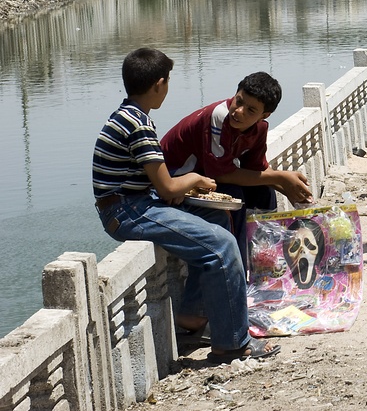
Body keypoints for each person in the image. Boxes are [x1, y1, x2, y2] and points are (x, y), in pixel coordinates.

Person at [93, 48, 280, 363]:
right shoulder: (139, 125)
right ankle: (232, 344)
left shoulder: (129, 115)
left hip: (134, 203)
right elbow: (166, 186)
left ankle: (193, 314)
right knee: (222, 246)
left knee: (217, 218)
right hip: (127, 211)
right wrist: (195, 179)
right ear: (159, 84)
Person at [161, 72, 313, 266]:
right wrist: (282, 177)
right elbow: (222, 175)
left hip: (205, 177)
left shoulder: (259, 129)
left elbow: (257, 169)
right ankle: (240, 269)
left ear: (264, 116)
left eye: (250, 110)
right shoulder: (219, 117)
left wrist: (289, 189)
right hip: (175, 178)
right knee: (234, 196)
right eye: (238, 101)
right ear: (235, 94)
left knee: (264, 191)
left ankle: (263, 260)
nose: (239, 111)